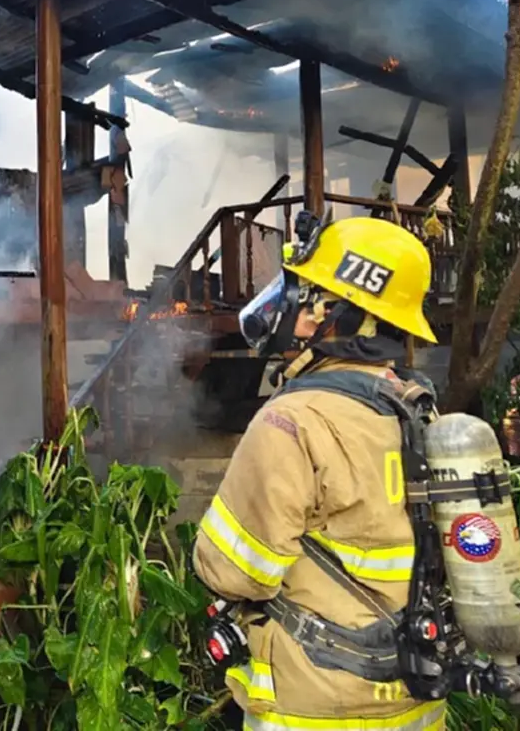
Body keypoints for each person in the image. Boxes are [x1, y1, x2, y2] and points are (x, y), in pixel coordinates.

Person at [192, 214, 447, 730]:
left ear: (343, 316)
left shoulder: (292, 421)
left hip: (314, 701)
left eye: (310, 297)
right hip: (415, 697)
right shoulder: (419, 411)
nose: (298, 313)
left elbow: (235, 571)